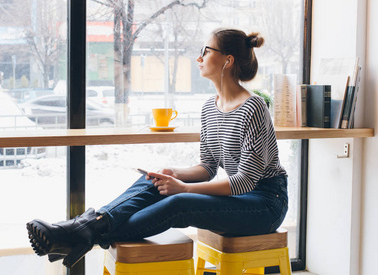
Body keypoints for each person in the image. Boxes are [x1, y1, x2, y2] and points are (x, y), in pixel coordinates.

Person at [26, 28, 288, 268]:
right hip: (238, 196)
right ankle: (88, 228)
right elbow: (208, 167)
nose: (199, 58)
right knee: (152, 181)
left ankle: (80, 232)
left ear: (227, 60)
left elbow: (245, 181)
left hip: (265, 203)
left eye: (205, 51)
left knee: (179, 202)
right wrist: (175, 174)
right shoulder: (210, 107)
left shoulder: (254, 108)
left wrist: (184, 188)